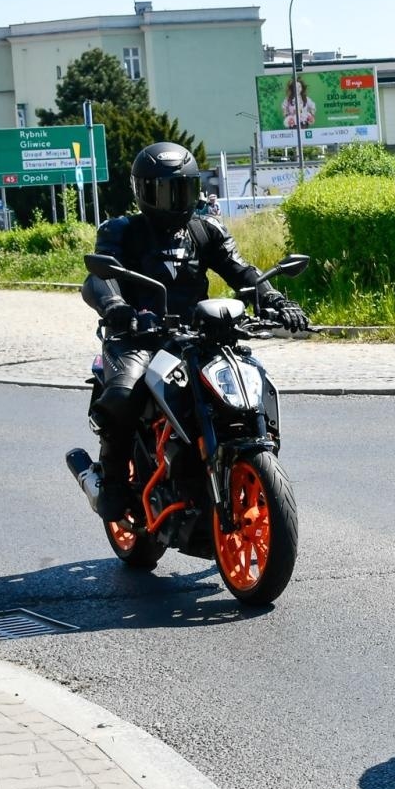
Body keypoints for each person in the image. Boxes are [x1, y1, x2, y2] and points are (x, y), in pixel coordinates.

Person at [80, 142, 311, 522]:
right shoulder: (122, 231)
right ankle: (113, 481)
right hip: (140, 336)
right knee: (125, 393)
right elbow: (100, 278)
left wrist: (275, 299)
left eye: (183, 190)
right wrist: (117, 308)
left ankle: (240, 454)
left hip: (197, 336)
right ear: (142, 191)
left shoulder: (207, 230)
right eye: (164, 191)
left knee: (248, 382)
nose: (175, 201)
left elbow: (243, 272)